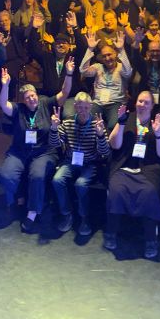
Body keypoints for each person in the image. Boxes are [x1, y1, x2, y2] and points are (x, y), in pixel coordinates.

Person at [0, 61, 73, 233]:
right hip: (19, 152)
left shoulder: (45, 103)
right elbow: (3, 104)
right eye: (28, 97)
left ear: (37, 95)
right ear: (23, 100)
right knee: (6, 175)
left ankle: (32, 212)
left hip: (43, 152)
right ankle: (13, 202)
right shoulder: (19, 109)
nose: (32, 98)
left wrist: (68, 74)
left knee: (37, 176)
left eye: (33, 95)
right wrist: (5, 85)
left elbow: (65, 92)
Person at [104, 93, 160, 259]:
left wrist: (158, 134)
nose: (142, 104)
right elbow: (114, 144)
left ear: (152, 105)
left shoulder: (158, 122)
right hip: (124, 166)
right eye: (140, 101)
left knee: (149, 192)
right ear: (136, 102)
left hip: (148, 168)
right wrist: (120, 123)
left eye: (146, 102)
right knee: (116, 190)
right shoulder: (126, 118)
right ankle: (111, 232)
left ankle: (150, 240)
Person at [52, 92, 110, 236]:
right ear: (75, 107)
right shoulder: (68, 122)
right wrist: (54, 128)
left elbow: (105, 152)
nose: (82, 111)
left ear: (90, 107)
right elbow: (54, 144)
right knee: (57, 180)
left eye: (85, 107)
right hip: (71, 161)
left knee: (80, 184)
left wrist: (101, 135)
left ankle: (84, 217)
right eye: (80, 107)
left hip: (90, 163)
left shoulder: (97, 124)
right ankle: (67, 214)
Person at [79, 32, 133, 131]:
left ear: (115, 54)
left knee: (114, 126)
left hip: (115, 103)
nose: (107, 58)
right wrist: (90, 49)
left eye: (109, 54)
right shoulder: (98, 67)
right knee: (86, 121)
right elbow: (83, 70)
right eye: (104, 56)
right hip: (97, 103)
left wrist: (121, 49)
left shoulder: (121, 68)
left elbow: (129, 72)